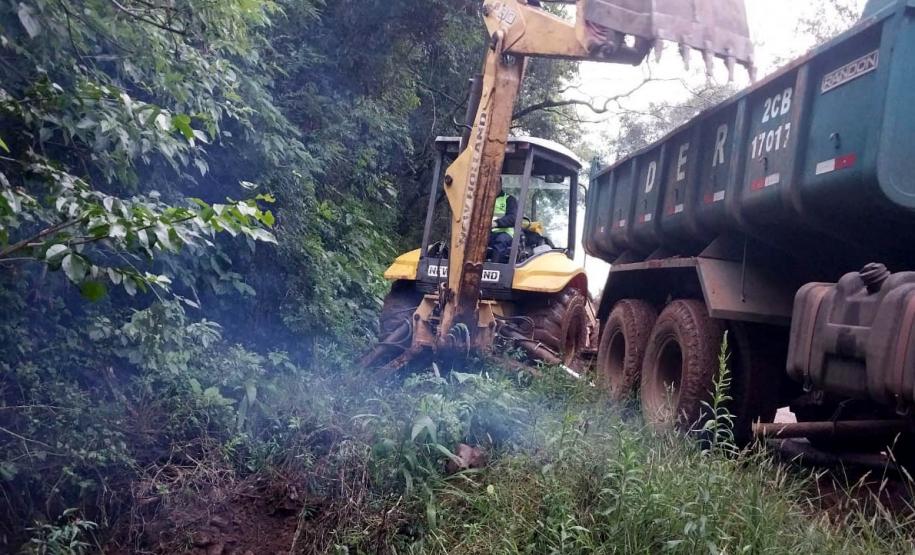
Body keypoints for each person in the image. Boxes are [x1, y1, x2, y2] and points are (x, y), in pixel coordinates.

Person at [490, 187, 518, 264]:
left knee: (501, 240)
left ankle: (494, 267)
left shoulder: (509, 199)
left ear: (500, 185)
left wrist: (496, 223)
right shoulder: (485, 199)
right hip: (488, 233)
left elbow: (512, 218)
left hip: (506, 233)